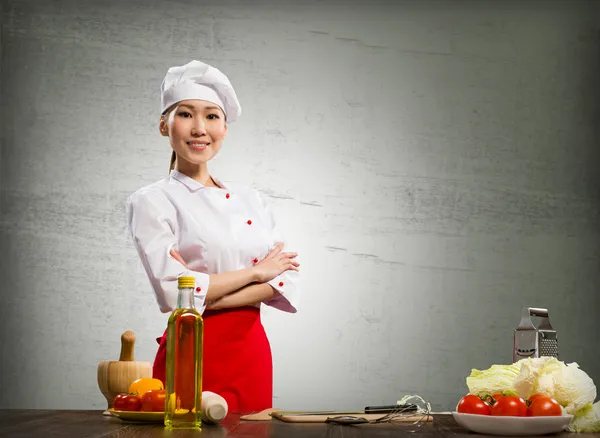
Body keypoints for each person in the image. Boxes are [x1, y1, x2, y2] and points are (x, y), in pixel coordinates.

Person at [126, 60, 300, 413]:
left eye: (211, 116)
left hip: (251, 353)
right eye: (186, 114)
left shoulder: (253, 200)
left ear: (224, 128)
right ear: (164, 125)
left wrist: (204, 294)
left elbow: (288, 278)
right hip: (191, 352)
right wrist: (255, 273)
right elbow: (171, 292)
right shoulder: (151, 200)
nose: (199, 128)